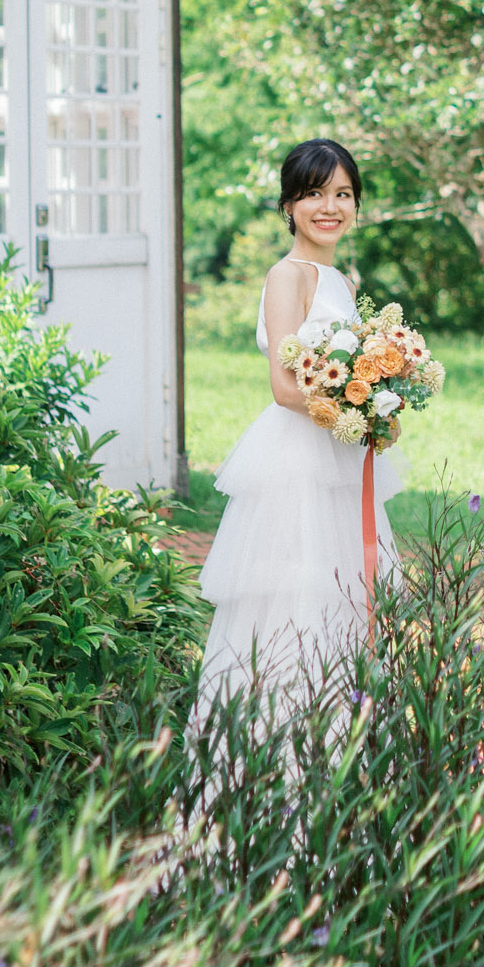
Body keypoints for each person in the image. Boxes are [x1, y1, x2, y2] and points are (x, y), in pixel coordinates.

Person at [194, 137, 404, 724]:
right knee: (296, 593)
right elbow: (286, 389)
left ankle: (342, 737)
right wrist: (354, 416)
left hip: (338, 454)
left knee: (344, 595)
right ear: (289, 205)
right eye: (314, 193)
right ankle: (278, 744)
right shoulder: (288, 276)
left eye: (342, 194)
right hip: (298, 457)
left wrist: (380, 406)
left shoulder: (342, 280)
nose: (329, 207)